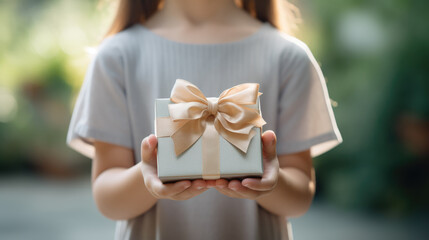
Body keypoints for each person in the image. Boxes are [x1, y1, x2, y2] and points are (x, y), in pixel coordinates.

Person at [67, 0, 342, 239]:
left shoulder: (289, 58)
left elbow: (300, 198)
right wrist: (147, 177)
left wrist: (270, 182)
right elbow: (107, 199)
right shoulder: (115, 58)